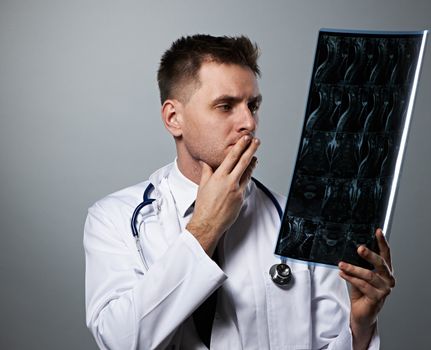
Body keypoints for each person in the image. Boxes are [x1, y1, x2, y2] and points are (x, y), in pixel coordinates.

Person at [84, 34, 395, 350]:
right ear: (173, 118)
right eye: (225, 106)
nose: (248, 122)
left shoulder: (306, 223)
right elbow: (120, 341)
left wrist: (359, 328)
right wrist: (205, 228)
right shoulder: (115, 218)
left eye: (253, 105)